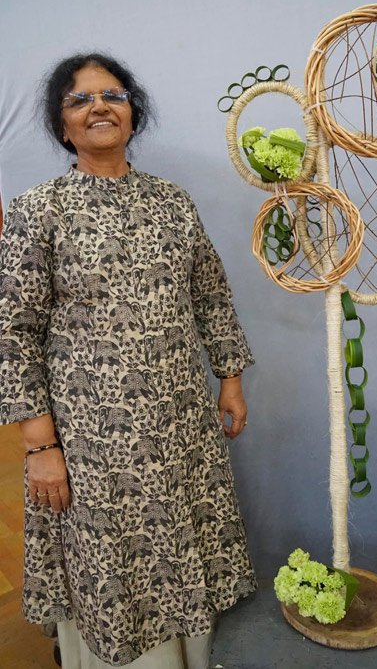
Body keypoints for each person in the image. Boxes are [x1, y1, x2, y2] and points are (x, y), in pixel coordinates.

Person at [0, 53, 256, 668]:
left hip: (182, 423)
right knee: (111, 559)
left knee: (183, 538)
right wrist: (40, 447)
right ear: (63, 126)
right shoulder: (39, 210)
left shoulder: (173, 202)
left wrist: (229, 379)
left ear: (132, 114)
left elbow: (210, 294)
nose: (99, 106)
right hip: (93, 440)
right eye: (79, 99)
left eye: (112, 95)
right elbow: (14, 332)